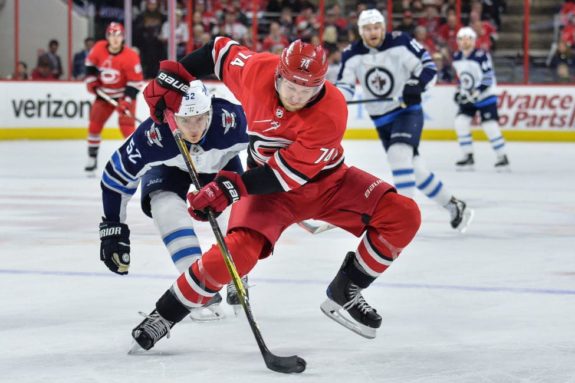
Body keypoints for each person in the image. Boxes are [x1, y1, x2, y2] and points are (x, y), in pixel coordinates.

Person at [129, 37, 422, 351]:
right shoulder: (258, 71)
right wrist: (174, 80)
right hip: (269, 197)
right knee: (235, 256)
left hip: (329, 184)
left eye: (307, 90)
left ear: (321, 86)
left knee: (403, 215)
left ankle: (346, 289)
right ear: (278, 75)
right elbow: (216, 52)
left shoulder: (331, 111)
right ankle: (164, 315)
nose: (296, 96)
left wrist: (229, 188)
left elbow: (284, 175)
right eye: (290, 86)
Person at [99, 79, 250, 319]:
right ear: (171, 117)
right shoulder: (154, 134)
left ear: (210, 110)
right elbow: (115, 176)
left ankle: (238, 271)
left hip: (221, 162)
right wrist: (113, 227)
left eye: (200, 118)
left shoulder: (232, 121)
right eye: (185, 120)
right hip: (168, 168)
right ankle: (199, 286)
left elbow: (273, 140)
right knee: (165, 207)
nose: (193, 129)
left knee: (236, 210)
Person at [335, 9, 473, 232]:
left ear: (383, 27)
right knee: (415, 169)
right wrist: (337, 99)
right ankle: (453, 205)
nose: (373, 32)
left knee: (397, 155)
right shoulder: (351, 53)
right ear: (361, 32)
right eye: (368, 28)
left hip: (406, 110)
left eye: (377, 27)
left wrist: (415, 85)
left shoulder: (400, 42)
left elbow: (427, 67)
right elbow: (346, 85)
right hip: (381, 120)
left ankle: (403, 215)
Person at [84, 22, 144, 174]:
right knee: (94, 126)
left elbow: (135, 83)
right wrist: (92, 82)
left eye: (118, 35)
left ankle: (136, 159)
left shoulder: (131, 56)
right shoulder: (98, 48)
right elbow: (89, 66)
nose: (115, 39)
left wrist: (126, 100)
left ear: (123, 37)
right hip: (104, 95)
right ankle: (92, 158)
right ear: (107, 37)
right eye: (111, 35)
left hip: (124, 95)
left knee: (127, 128)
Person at [452, 27, 509, 169]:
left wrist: (477, 92)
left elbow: (488, 78)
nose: (465, 42)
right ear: (458, 41)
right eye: (462, 39)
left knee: (489, 125)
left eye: (468, 39)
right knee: (460, 122)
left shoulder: (481, 55)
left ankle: (502, 156)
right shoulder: (457, 57)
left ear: (474, 40)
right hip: (469, 97)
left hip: (486, 96)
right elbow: (462, 78)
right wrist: (459, 90)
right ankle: (468, 156)